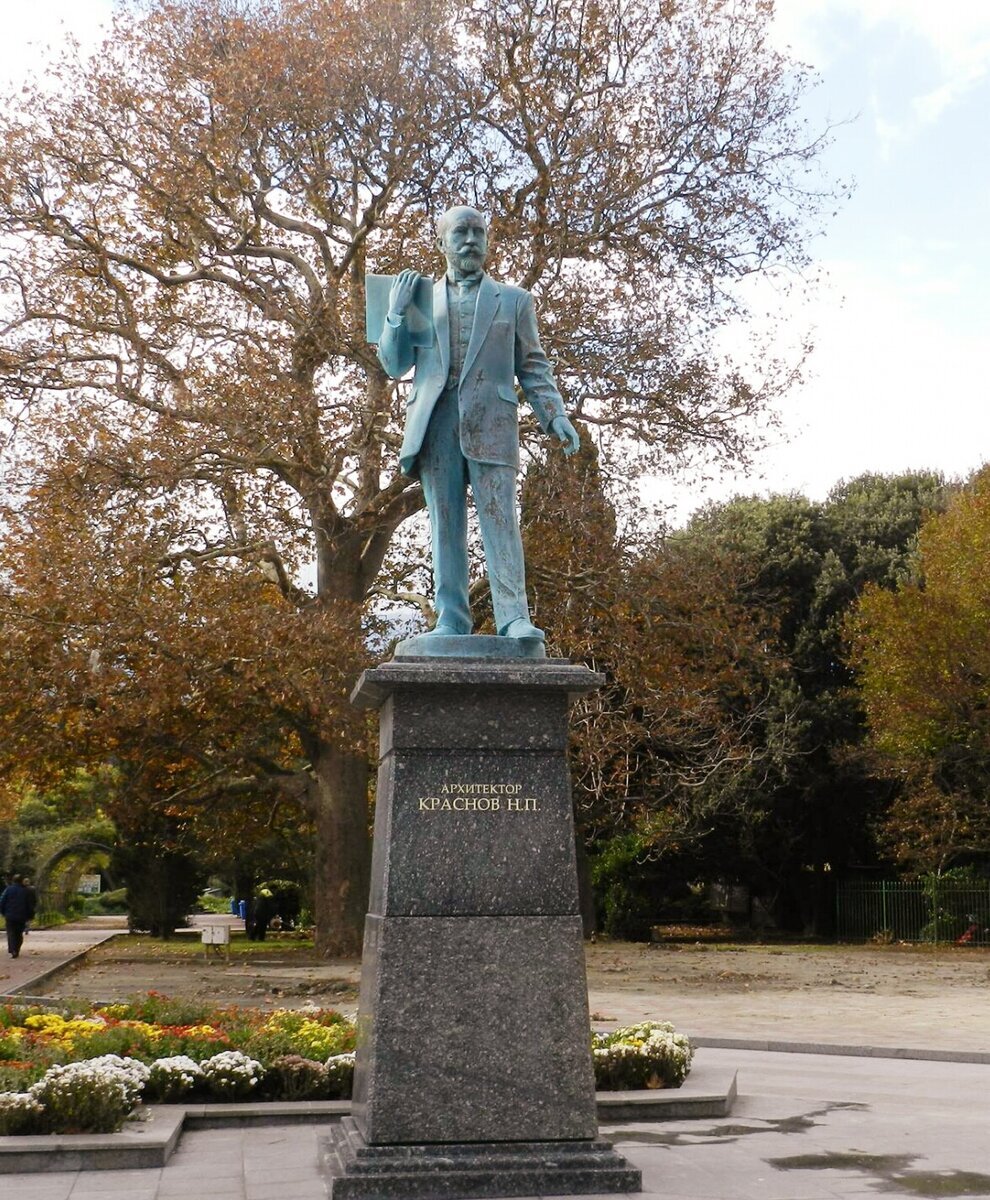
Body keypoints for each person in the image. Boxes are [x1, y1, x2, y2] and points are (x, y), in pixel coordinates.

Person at [378, 205, 580, 642]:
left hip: (493, 424)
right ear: (442, 243)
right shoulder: (415, 296)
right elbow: (394, 365)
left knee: (500, 520)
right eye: (461, 233)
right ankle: (450, 619)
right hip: (435, 424)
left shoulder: (514, 300)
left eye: (478, 232)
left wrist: (554, 414)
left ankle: (514, 619)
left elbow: (533, 365)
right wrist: (394, 314)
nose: (471, 240)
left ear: (487, 241)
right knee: (444, 524)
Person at [0, 874, 36, 959]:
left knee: (11, 933)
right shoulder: (26, 891)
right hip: (21, 916)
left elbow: (2, 901)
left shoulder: (8, 890)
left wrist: (2, 912)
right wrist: (30, 915)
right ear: (21, 881)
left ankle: (13, 949)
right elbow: (30, 904)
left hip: (10, 915)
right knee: (19, 933)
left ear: (13, 881)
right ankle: (17, 948)